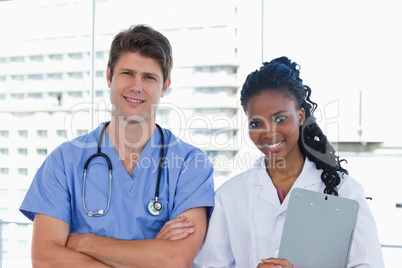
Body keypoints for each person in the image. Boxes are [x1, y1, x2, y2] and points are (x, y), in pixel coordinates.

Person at [20, 24, 214, 267]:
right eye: (127, 73)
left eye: (149, 77)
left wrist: (83, 242)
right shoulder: (63, 161)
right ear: (109, 76)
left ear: (165, 87)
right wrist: (150, 254)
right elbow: (45, 259)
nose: (136, 86)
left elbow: (175, 259)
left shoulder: (190, 164)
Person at [193, 57, 384, 268]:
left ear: (301, 116)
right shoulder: (229, 195)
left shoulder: (346, 190)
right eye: (256, 123)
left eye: (280, 118)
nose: (269, 133)